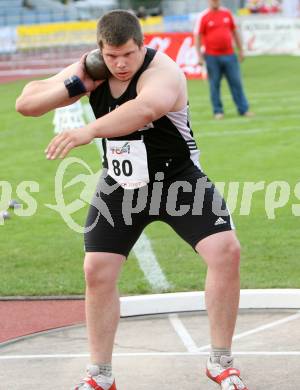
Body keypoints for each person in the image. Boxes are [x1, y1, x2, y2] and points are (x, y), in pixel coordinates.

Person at [16, 9, 248, 390]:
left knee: (226, 250)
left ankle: (221, 361)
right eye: (111, 57)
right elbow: (26, 103)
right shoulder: (91, 69)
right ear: (99, 51)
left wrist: (86, 131)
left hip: (176, 180)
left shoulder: (164, 71)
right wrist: (78, 84)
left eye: (128, 54)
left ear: (143, 46)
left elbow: (145, 109)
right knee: (97, 270)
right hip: (121, 187)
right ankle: (100, 375)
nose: (120, 64)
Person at [194, 0, 253, 119]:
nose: (215, 2)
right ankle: (218, 111)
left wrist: (241, 49)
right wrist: (199, 56)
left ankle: (243, 109)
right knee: (214, 84)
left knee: (236, 83)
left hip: (230, 55)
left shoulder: (227, 14)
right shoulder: (203, 16)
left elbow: (235, 32)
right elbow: (198, 36)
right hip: (211, 56)